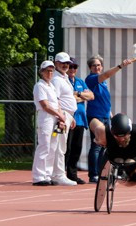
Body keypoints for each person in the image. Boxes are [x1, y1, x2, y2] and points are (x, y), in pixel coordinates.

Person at [84, 53, 135, 182]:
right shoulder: (91, 79)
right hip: (95, 116)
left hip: (106, 116)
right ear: (90, 68)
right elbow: (105, 75)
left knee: (106, 146)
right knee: (96, 145)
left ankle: (103, 172)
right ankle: (93, 174)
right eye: (94, 65)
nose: (97, 67)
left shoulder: (103, 82)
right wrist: (120, 66)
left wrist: (111, 115)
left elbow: (104, 101)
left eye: (99, 65)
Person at [32, 60, 68, 186]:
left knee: (52, 146)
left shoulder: (51, 86)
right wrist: (59, 115)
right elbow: (45, 105)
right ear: (42, 72)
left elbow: (56, 103)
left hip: (54, 118)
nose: (50, 73)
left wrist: (60, 118)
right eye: (47, 70)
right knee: (44, 145)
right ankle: (38, 176)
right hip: (45, 118)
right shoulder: (39, 86)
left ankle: (47, 174)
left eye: (52, 70)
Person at [62, 53, 93, 184]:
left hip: (80, 119)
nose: (72, 69)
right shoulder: (63, 81)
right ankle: (61, 173)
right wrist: (79, 97)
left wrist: (78, 94)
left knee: (76, 147)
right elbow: (68, 98)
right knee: (66, 148)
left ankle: (72, 174)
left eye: (75, 67)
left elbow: (91, 96)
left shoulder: (80, 81)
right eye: (70, 66)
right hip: (68, 118)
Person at [50, 52, 79, 186]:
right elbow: (56, 99)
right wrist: (61, 117)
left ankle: (56, 173)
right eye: (62, 63)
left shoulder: (64, 78)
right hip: (62, 115)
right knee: (60, 146)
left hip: (67, 115)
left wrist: (70, 117)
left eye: (67, 63)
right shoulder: (56, 79)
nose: (65, 65)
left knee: (61, 145)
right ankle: (58, 174)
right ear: (56, 63)